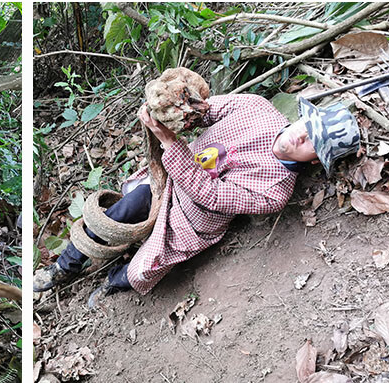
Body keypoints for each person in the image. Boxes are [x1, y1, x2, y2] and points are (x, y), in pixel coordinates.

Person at [33, 93, 360, 307]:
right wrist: (168, 108)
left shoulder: (275, 191)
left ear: (315, 160)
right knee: (119, 213)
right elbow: (204, 109)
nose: (301, 135)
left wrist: (169, 142)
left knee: (142, 269)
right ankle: (63, 268)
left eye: (311, 142)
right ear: (302, 117)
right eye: (308, 126)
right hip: (168, 181)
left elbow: (210, 194)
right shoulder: (258, 108)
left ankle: (111, 283)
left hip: (190, 223)